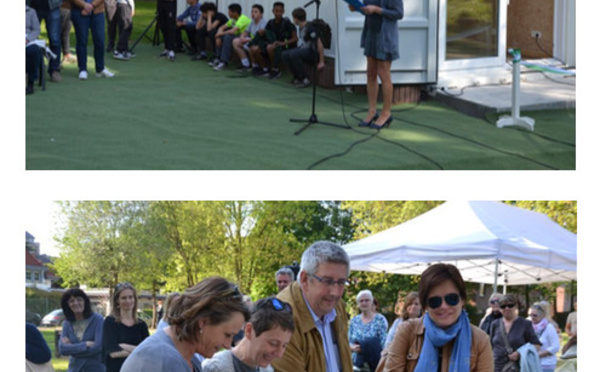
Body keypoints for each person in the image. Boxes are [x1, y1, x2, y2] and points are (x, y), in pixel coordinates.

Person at [378, 263, 493, 372]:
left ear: (462, 300)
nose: (443, 306)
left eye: (451, 299)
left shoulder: (480, 340)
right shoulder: (407, 331)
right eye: (435, 301)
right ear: (425, 305)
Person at [121, 277, 251, 372]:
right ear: (204, 322)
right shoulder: (160, 360)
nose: (228, 345)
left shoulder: (188, 357)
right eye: (227, 335)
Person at [270, 241, 353, 372]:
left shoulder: (336, 306)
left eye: (341, 282)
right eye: (327, 281)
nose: (335, 292)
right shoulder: (281, 318)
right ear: (304, 280)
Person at [349, 0, 404, 129]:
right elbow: (368, 11)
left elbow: (399, 14)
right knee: (370, 74)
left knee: (383, 74)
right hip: (371, 33)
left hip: (385, 36)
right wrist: (357, 8)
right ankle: (372, 111)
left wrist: (378, 10)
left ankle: (386, 113)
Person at [202, 296, 295, 372]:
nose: (279, 354)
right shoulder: (215, 368)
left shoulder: (267, 369)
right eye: (273, 343)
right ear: (249, 331)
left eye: (284, 346)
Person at [102, 282, 150, 372]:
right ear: (117, 300)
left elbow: (147, 352)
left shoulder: (141, 325)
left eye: (130, 297)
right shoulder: (110, 322)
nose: (128, 301)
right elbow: (113, 353)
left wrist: (123, 346)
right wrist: (138, 350)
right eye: (124, 298)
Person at [489, 293, 541, 372]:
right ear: (499, 308)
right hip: (496, 367)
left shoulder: (525, 324)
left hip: (517, 367)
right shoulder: (495, 324)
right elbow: (490, 346)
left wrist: (519, 353)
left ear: (516, 306)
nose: (507, 308)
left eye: (510, 305)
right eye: (503, 306)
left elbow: (537, 345)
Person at [58, 288, 105, 372]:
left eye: (79, 300)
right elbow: (62, 349)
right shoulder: (67, 323)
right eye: (71, 301)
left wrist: (72, 348)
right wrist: (85, 344)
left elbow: (98, 347)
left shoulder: (98, 320)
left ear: (85, 302)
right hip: (74, 369)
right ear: (67, 305)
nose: (76, 303)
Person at [248, 1, 297, 78]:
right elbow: (266, 35)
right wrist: (263, 33)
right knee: (254, 48)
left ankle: (275, 69)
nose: (278, 13)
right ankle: (264, 69)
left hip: (284, 46)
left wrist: (282, 43)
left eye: (280, 11)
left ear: (283, 12)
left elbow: (295, 38)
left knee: (270, 47)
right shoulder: (270, 22)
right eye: (276, 11)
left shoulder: (287, 23)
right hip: (271, 43)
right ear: (272, 11)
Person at [68, 0, 114, 79]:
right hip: (79, 10)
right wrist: (84, 5)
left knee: (100, 40)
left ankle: (100, 69)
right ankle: (82, 69)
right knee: (81, 40)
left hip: (97, 11)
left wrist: (92, 6)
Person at [281, 8, 325, 88]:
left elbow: (319, 43)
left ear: (296, 18)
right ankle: (297, 77)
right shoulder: (301, 27)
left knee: (294, 54)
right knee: (285, 54)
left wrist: (321, 61)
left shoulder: (310, 28)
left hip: (313, 53)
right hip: (305, 50)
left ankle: (305, 78)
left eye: (293, 18)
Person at [348, 289, 388, 371]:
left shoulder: (380, 320)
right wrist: (351, 347)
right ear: (358, 304)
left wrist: (363, 348)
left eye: (367, 300)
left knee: (368, 341)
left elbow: (384, 342)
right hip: (354, 361)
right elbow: (348, 341)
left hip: (373, 361)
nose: (364, 303)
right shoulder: (354, 320)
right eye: (361, 301)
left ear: (371, 302)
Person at [30, 0, 63, 82]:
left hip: (52, 6)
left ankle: (54, 69)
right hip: (33, 6)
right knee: (30, 39)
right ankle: (32, 71)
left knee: (55, 40)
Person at [212, 3, 251, 71]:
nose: (228, 13)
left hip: (245, 36)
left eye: (229, 12)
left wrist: (219, 34)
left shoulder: (242, 18)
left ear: (235, 12)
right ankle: (218, 58)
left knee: (227, 37)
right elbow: (222, 27)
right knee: (220, 37)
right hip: (237, 35)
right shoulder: (233, 19)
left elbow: (232, 31)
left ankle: (224, 62)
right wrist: (218, 36)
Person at [231, 4, 267, 72]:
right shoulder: (252, 22)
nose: (253, 14)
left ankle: (256, 66)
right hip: (251, 41)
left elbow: (259, 37)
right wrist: (242, 38)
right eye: (252, 12)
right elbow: (246, 32)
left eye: (256, 12)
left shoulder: (263, 23)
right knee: (236, 41)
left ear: (261, 14)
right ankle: (245, 64)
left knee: (251, 46)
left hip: (259, 43)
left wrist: (247, 39)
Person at [528, 303, 560, 372]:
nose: (532, 317)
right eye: (530, 315)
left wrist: (539, 354)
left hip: (546, 365)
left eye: (535, 315)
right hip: (532, 364)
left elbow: (555, 347)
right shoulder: (530, 327)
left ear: (542, 315)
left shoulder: (549, 327)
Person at [26, 4, 42, 95]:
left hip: (28, 39)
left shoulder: (31, 12)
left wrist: (27, 39)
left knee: (33, 51)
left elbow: (36, 30)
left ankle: (30, 82)